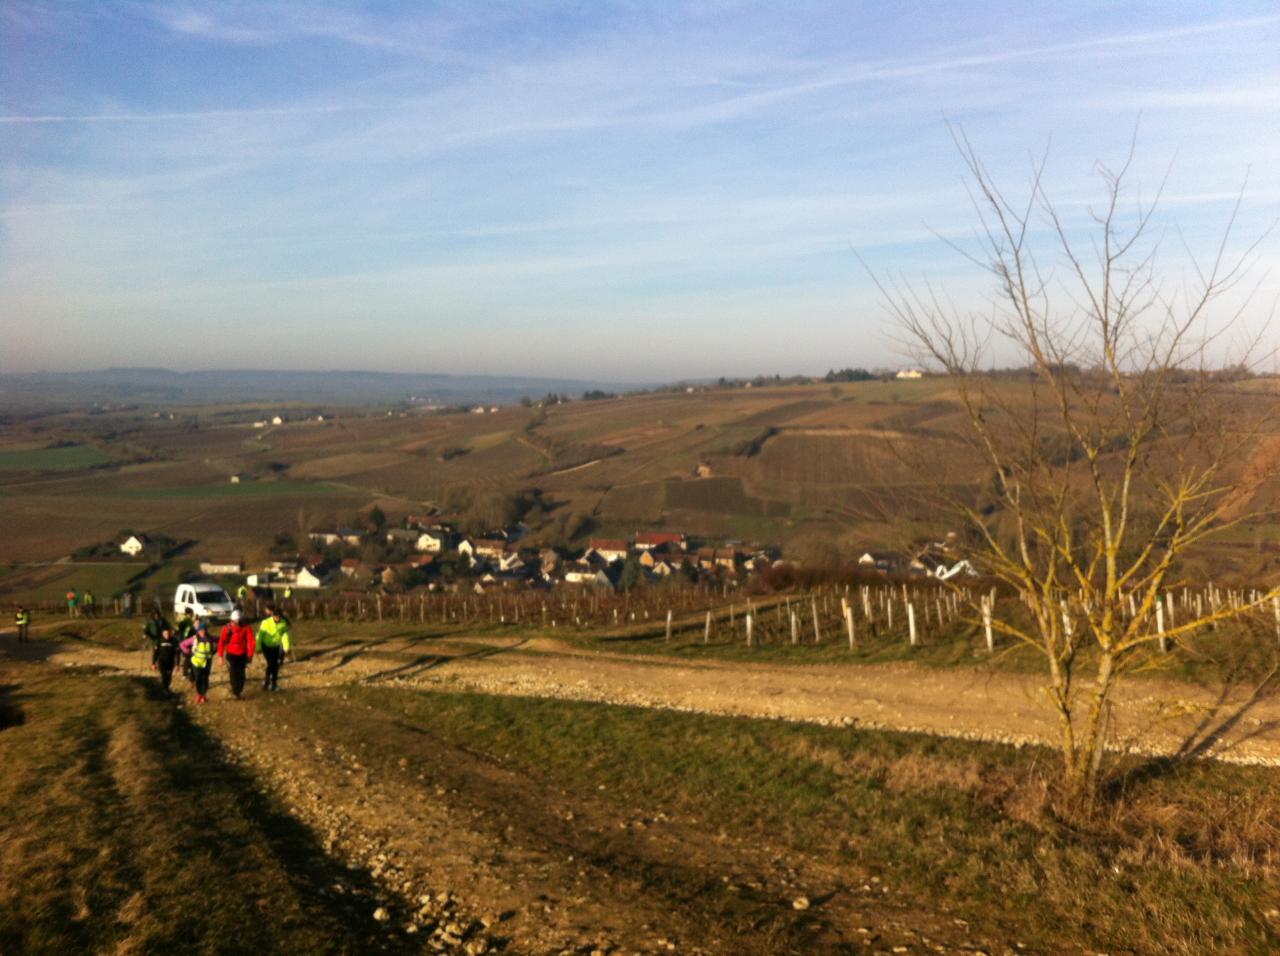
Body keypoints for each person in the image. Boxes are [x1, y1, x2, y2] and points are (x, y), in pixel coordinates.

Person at [217, 609, 255, 700]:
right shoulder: (227, 629)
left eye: (238, 621)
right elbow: (221, 642)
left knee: (241, 673)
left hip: (242, 653)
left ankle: (240, 690)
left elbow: (251, 641)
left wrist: (250, 654)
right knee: (233, 673)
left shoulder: (246, 628)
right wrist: (220, 656)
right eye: (234, 621)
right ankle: (236, 692)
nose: (236, 623)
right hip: (231, 654)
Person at [256, 605, 293, 692]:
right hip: (266, 646)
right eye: (275, 616)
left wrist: (286, 647)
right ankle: (267, 682)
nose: (276, 618)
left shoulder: (283, 623)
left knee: (275, 666)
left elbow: (285, 636)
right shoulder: (265, 622)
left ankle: (273, 684)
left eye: (278, 616)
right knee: (271, 664)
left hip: (275, 646)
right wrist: (258, 647)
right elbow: (260, 635)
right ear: (272, 616)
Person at [189, 616, 215, 703]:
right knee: (199, 678)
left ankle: (203, 695)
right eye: (200, 630)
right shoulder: (195, 638)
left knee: (205, 679)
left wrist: (214, 652)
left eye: (204, 630)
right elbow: (183, 644)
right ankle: (199, 694)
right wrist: (188, 653)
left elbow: (220, 641)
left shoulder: (210, 638)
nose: (202, 632)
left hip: (207, 662)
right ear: (198, 631)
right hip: (196, 662)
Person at [153, 618, 180, 693]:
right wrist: (153, 663)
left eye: (168, 633)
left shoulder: (174, 641)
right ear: (162, 634)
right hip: (161, 661)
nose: (167, 635)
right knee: (163, 675)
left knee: (169, 676)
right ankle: (165, 689)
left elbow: (177, 653)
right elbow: (155, 653)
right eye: (165, 634)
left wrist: (177, 664)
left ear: (170, 633)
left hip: (170, 662)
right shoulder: (159, 641)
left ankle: (166, 688)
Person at [143, 607, 172, 671]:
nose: (156, 615)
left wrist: (170, 630)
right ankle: (153, 664)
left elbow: (168, 625)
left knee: (161, 651)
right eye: (155, 614)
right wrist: (145, 634)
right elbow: (147, 629)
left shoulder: (162, 620)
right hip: (154, 639)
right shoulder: (151, 621)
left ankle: (159, 664)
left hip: (161, 638)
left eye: (157, 614)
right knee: (155, 651)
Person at [176, 609, 197, 682]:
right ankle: (185, 674)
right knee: (187, 657)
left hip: (188, 641)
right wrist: (184, 639)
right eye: (191, 614)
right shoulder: (185, 621)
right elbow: (181, 631)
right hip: (185, 641)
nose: (192, 615)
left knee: (188, 657)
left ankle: (187, 673)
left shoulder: (189, 621)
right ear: (188, 614)